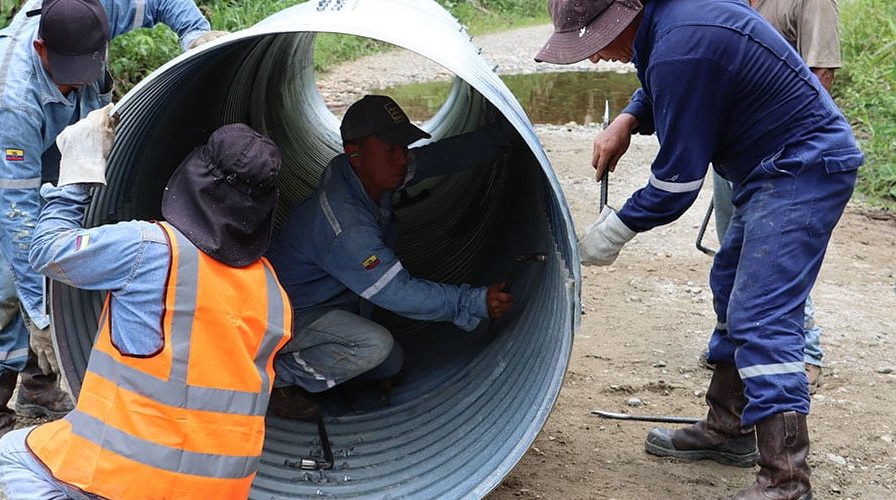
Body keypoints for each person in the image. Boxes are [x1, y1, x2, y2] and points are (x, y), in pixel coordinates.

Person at [536, 0, 862, 498]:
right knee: (731, 289)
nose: (594, 58)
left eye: (593, 42)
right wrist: (628, 117)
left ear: (621, 20)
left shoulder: (678, 42)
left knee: (762, 315)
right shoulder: (671, 22)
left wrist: (609, 233)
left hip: (803, 166)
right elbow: (677, 83)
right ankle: (729, 430)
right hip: (769, 167)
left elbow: (676, 185)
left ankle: (786, 480)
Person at [0, 0, 220, 468]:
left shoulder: (98, 11)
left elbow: (164, 2)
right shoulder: (11, 101)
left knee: (76, 252)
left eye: (86, 72)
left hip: (71, 145)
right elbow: (17, 220)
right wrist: (39, 314)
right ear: (41, 48)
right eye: (66, 77)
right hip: (8, 168)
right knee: (5, 286)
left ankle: (38, 391)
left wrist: (195, 34)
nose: (76, 83)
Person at [0, 108, 292, 499]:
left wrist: (77, 177)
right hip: (221, 491)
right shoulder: (273, 291)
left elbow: (48, 251)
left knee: (13, 453)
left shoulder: (149, 249)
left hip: (129, 481)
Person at [265, 95, 515, 420]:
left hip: (327, 307)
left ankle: (314, 368)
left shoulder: (363, 173)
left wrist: (504, 136)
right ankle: (275, 376)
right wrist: (472, 302)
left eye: (404, 148)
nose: (402, 159)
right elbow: (397, 292)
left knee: (391, 361)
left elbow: (442, 157)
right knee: (374, 346)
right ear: (354, 154)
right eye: (391, 151)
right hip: (286, 317)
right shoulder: (345, 225)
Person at [706, 0, 845, 386]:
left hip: (782, 159)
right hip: (733, 154)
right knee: (733, 258)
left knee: (776, 259)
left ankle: (805, 351)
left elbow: (820, 75)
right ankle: (738, 354)